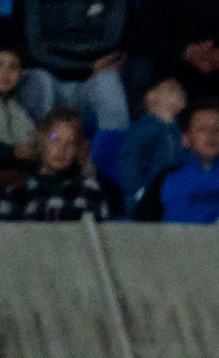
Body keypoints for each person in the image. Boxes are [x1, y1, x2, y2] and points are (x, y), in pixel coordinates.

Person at [17, 0, 132, 134]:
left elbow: (111, 43)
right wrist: (88, 67)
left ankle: (110, 153)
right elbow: (35, 51)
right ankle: (40, 149)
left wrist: (52, 44)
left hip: (94, 79)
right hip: (50, 76)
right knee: (40, 81)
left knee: (109, 82)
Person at [135, 104, 219, 223]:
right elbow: (141, 225)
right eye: (202, 129)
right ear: (185, 139)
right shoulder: (166, 178)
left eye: (218, 129)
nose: (211, 135)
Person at [0, 106, 125, 219]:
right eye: (55, 139)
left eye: (70, 143)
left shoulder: (89, 190)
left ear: (77, 149)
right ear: (41, 139)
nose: (62, 149)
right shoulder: (20, 189)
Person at [115, 75, 189, 201]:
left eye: (182, 89)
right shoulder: (145, 128)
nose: (181, 92)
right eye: (171, 88)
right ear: (151, 96)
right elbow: (131, 161)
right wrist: (138, 191)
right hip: (146, 197)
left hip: (173, 194)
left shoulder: (179, 132)